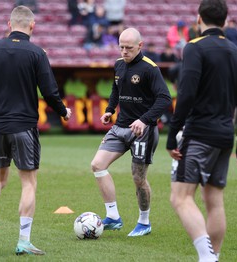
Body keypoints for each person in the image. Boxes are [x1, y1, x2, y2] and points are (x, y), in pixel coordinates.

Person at [0, 6, 72, 255]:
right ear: (32, 26)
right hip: (24, 126)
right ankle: (23, 240)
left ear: (8, 23)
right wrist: (62, 111)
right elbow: (49, 91)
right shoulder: (36, 53)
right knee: (28, 183)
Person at [166, 0, 237, 261]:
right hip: (225, 136)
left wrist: (173, 132)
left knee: (180, 198)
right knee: (214, 201)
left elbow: (187, 93)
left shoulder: (194, 48)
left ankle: (207, 257)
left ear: (199, 18)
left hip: (200, 133)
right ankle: (215, 256)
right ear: (225, 21)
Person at [90, 28, 171, 237]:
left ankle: (144, 222)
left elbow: (164, 99)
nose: (124, 51)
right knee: (97, 165)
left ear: (140, 46)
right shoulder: (119, 65)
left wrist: (144, 120)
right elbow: (116, 89)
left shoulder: (150, 69)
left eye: (129, 48)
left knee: (138, 178)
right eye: (121, 47)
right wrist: (109, 110)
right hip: (120, 128)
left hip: (143, 131)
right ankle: (113, 217)